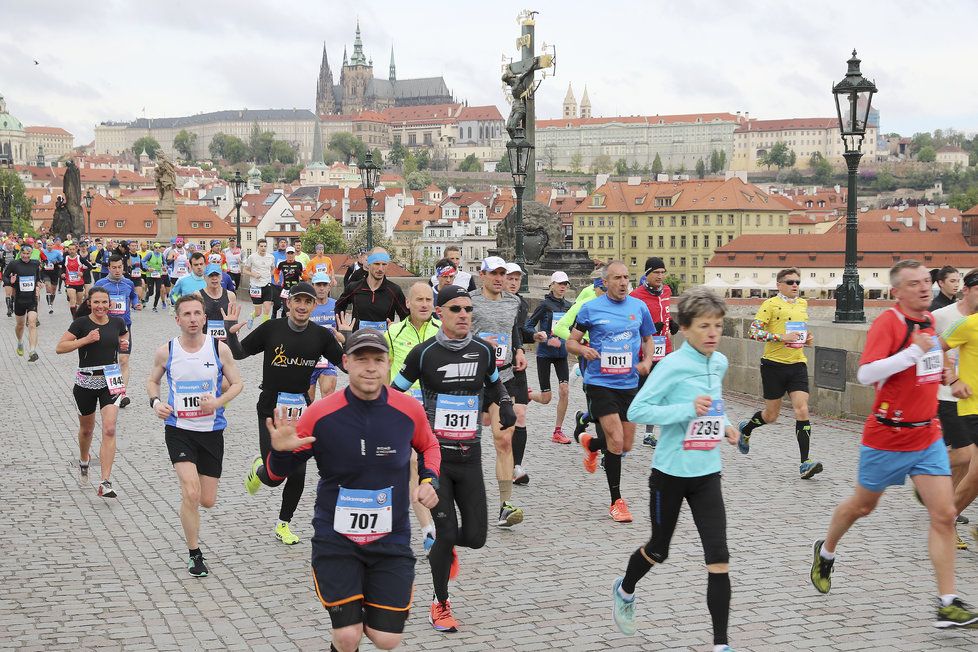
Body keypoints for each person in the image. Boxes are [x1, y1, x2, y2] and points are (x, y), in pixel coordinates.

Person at [810, 259, 978, 628]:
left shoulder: (931, 323)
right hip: (888, 436)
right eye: (914, 283)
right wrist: (912, 352)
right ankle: (825, 551)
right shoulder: (889, 323)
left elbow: (932, 364)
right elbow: (867, 372)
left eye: (926, 281)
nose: (923, 288)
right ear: (896, 292)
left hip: (926, 433)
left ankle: (947, 604)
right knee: (861, 506)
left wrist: (950, 378)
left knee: (945, 514)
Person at [264, 329, 440, 652]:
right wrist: (280, 451)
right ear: (345, 362)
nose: (370, 367)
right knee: (347, 636)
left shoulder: (408, 410)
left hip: (391, 539)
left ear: (388, 365)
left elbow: (429, 445)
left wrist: (430, 480)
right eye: (361, 359)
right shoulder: (320, 413)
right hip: (336, 540)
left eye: (378, 359)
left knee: (387, 639)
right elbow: (275, 476)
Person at [611, 289, 738, 651]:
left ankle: (720, 644)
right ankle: (625, 589)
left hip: (707, 474)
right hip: (669, 475)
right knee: (659, 550)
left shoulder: (720, 362)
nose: (712, 333)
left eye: (718, 325)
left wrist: (726, 424)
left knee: (718, 555)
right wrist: (685, 409)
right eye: (704, 326)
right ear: (685, 328)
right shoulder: (671, 366)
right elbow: (637, 412)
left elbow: (714, 405)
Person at [391, 284, 516, 632]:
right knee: (445, 531)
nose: (464, 315)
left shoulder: (483, 351)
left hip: (469, 455)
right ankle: (440, 602)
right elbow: (394, 393)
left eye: (467, 309)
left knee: (476, 536)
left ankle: (442, 550)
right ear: (439, 313)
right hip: (436, 459)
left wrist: (504, 403)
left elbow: (495, 385)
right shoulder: (424, 353)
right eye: (456, 309)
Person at [230, 282, 346, 545]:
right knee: (273, 478)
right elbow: (238, 353)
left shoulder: (321, 336)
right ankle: (259, 469)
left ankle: (284, 523)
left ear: (314, 306)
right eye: (298, 301)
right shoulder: (272, 329)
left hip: (300, 413)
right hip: (270, 408)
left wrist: (347, 337)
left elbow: (347, 366)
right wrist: (231, 331)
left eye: (308, 302)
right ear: (289, 303)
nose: (302, 306)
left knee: (298, 473)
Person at [146, 294, 243, 577]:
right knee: (190, 491)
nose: (192, 319)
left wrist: (218, 401)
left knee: (207, 500)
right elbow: (152, 380)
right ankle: (194, 553)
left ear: (204, 318)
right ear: (177, 319)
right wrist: (156, 403)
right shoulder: (166, 351)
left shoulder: (219, 349)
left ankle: (194, 511)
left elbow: (238, 384)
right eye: (186, 314)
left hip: (211, 431)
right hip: (179, 430)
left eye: (196, 313)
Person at [566, 261, 655, 523]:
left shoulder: (639, 308)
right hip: (600, 383)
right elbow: (571, 341)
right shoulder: (590, 309)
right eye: (617, 278)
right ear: (605, 282)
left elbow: (649, 339)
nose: (623, 282)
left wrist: (647, 361)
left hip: (628, 383)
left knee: (625, 445)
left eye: (626, 277)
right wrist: (583, 349)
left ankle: (591, 444)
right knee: (615, 441)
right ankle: (616, 501)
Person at [736, 267, 823, 479]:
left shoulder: (803, 304)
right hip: (773, 365)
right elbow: (753, 332)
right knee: (771, 416)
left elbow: (799, 333)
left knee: (802, 410)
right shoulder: (770, 305)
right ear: (779, 285)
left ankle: (805, 463)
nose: (795, 286)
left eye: (798, 282)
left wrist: (806, 339)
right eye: (790, 282)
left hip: (797, 364)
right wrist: (781, 338)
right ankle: (747, 429)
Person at [55, 286, 130, 497]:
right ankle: (84, 459)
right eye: (96, 302)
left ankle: (105, 482)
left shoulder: (118, 322)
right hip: (86, 381)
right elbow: (60, 347)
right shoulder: (81, 324)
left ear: (110, 304)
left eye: (104, 302)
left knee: (109, 429)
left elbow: (124, 337)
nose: (100, 306)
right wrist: (85, 340)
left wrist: (123, 348)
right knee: (87, 430)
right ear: (89, 303)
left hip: (112, 379)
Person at [470, 256, 527, 526]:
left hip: (501, 378)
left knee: (504, 439)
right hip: (469, 378)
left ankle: (505, 504)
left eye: (503, 273)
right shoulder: (469, 301)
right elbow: (453, 331)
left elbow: (512, 329)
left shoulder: (513, 302)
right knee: (463, 443)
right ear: (482, 274)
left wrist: (518, 349)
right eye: (494, 273)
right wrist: (479, 341)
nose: (499, 278)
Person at [385, 281, 441, 554]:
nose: (424, 304)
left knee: (434, 465)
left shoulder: (443, 332)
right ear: (407, 303)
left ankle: (436, 519)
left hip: (435, 408)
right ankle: (428, 530)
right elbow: (386, 374)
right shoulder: (393, 332)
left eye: (428, 300)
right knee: (414, 465)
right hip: (404, 410)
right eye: (418, 299)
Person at [937, 269, 978, 547]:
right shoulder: (968, 324)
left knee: (974, 475)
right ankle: (945, 521)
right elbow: (934, 348)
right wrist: (952, 377)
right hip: (972, 406)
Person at [630, 257, 680, 448]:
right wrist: (649, 327)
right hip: (643, 351)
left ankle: (649, 434)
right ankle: (589, 417)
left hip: (663, 349)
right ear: (647, 274)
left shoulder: (666, 290)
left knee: (657, 393)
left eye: (662, 272)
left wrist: (670, 323)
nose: (660, 276)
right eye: (656, 273)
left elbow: (665, 313)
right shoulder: (636, 295)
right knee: (636, 394)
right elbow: (631, 322)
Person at [555, 270, 606, 440]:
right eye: (603, 289)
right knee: (597, 398)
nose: (607, 293)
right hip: (587, 358)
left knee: (611, 399)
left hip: (609, 359)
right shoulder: (584, 305)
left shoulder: (617, 305)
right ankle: (606, 449)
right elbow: (559, 328)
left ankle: (583, 418)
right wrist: (583, 344)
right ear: (596, 288)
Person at [526, 271, 574, 445]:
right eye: (560, 283)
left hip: (561, 354)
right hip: (545, 354)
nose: (562, 287)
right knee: (546, 398)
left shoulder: (569, 306)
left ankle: (558, 431)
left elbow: (573, 329)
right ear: (552, 285)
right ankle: (529, 395)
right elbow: (528, 325)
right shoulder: (544, 305)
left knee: (564, 390)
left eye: (565, 284)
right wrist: (542, 335)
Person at [502, 262, 536, 485]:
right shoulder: (488, 302)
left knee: (520, 414)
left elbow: (519, 331)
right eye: (510, 278)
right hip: (494, 367)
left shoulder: (521, 304)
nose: (514, 283)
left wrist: (535, 336)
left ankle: (516, 467)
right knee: (498, 422)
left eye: (517, 279)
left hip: (516, 363)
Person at [94, 255, 142, 406]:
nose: (117, 270)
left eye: (119, 267)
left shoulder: (128, 283)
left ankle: (121, 394)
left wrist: (136, 303)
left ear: (123, 267)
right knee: (109, 361)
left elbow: (133, 296)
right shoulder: (101, 284)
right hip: (106, 327)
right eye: (114, 267)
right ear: (109, 268)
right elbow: (92, 303)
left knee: (124, 360)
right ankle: (107, 391)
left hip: (124, 327)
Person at [335, 248, 408, 331]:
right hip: (359, 342)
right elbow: (339, 306)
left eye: (384, 264)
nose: (380, 269)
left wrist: (397, 331)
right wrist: (342, 329)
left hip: (383, 342)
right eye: (376, 264)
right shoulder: (354, 287)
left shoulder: (394, 290)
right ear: (369, 264)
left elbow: (407, 318)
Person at [3, 242, 43, 361]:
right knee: (20, 325)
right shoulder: (14, 264)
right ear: (20, 253)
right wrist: (11, 280)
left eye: (28, 253)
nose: (26, 256)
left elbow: (38, 278)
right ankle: (20, 342)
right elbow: (5, 276)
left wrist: (39, 284)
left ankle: (32, 351)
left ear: (31, 253)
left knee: (32, 323)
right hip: (19, 300)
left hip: (32, 299)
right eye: (24, 253)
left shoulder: (35, 264)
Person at [308, 272, 340, 400]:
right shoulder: (306, 306)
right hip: (308, 358)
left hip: (328, 358)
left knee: (328, 396)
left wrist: (341, 336)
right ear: (313, 286)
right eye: (318, 285)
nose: (321, 288)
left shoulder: (336, 305)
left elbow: (343, 332)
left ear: (329, 287)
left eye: (324, 284)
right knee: (307, 401)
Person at [243, 238, 275, 327]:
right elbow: (245, 270)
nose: (263, 248)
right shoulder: (252, 257)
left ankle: (264, 327)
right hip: (255, 286)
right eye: (261, 246)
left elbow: (273, 269)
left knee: (267, 308)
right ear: (258, 247)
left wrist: (269, 275)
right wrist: (253, 274)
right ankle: (251, 316)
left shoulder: (271, 257)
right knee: (258, 312)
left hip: (267, 285)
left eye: (265, 246)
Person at [200, 264, 236, 341]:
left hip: (226, 339)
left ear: (221, 277)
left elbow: (234, 320)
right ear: (204, 277)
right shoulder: (198, 295)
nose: (214, 278)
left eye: (217, 275)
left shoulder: (230, 295)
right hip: (204, 340)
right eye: (211, 275)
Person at [62, 241, 91, 318]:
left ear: (76, 250)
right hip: (69, 282)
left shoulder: (79, 258)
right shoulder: (66, 258)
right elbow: (62, 267)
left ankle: (79, 315)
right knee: (72, 300)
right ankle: (75, 318)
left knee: (79, 302)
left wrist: (83, 273)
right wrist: (62, 273)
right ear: (68, 250)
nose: (71, 251)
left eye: (73, 249)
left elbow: (89, 266)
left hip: (79, 282)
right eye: (70, 249)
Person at [276, 246, 305, 318]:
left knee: (294, 309)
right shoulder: (281, 264)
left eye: (292, 253)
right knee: (287, 312)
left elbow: (306, 277)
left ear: (294, 254)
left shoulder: (299, 264)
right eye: (288, 253)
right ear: (286, 254)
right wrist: (277, 280)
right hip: (285, 288)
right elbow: (275, 272)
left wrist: (300, 274)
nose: (290, 255)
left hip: (296, 289)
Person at [41, 240, 63, 314]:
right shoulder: (42, 252)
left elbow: (62, 261)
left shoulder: (57, 252)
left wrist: (56, 262)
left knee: (53, 291)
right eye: (48, 245)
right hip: (45, 272)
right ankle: (49, 305)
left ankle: (51, 303)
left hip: (54, 272)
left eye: (51, 245)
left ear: (53, 245)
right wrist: (41, 264)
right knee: (48, 286)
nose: (49, 247)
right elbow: (39, 260)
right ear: (45, 245)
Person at [144, 243, 167, 311]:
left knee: (158, 290)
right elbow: (143, 261)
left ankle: (155, 306)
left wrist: (164, 267)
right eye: (156, 247)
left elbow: (165, 263)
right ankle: (148, 295)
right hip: (150, 274)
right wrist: (147, 268)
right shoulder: (150, 254)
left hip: (158, 274)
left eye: (159, 248)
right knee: (151, 292)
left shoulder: (161, 255)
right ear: (153, 248)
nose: (157, 249)